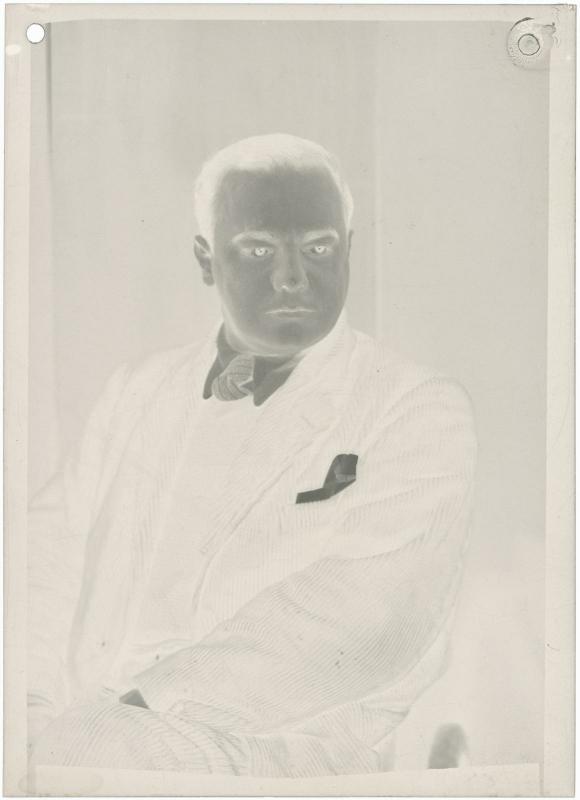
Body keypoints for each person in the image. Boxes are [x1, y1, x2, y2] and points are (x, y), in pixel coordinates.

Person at [28, 134, 477, 777]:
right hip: (81, 733)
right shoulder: (136, 390)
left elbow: (367, 614)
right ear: (206, 260)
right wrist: (30, 711)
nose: (292, 277)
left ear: (348, 250)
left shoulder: (415, 405)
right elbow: (41, 561)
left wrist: (132, 710)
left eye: (317, 247)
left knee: (96, 751)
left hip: (280, 752)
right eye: (259, 249)